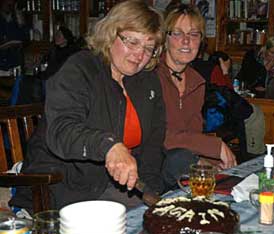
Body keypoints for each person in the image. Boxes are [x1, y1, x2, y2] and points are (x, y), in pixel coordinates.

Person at [10, 0, 166, 214]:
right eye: (132, 42)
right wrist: (109, 146)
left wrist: (152, 192)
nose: (140, 55)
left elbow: (152, 146)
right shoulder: (80, 68)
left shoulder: (147, 81)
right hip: (65, 186)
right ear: (111, 34)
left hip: (116, 187)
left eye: (149, 48)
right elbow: (62, 130)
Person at [156, 3, 237, 192]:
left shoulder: (196, 82)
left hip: (180, 164)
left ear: (200, 41)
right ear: (164, 39)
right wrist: (215, 147)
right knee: (183, 160)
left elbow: (192, 137)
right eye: (177, 33)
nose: (186, 41)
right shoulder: (150, 77)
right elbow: (159, 137)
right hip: (153, 168)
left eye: (193, 34)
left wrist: (213, 162)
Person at [0, 0, 29, 70]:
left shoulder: (15, 17)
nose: (10, 5)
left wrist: (20, 20)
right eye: (7, 3)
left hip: (16, 62)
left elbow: (24, 37)